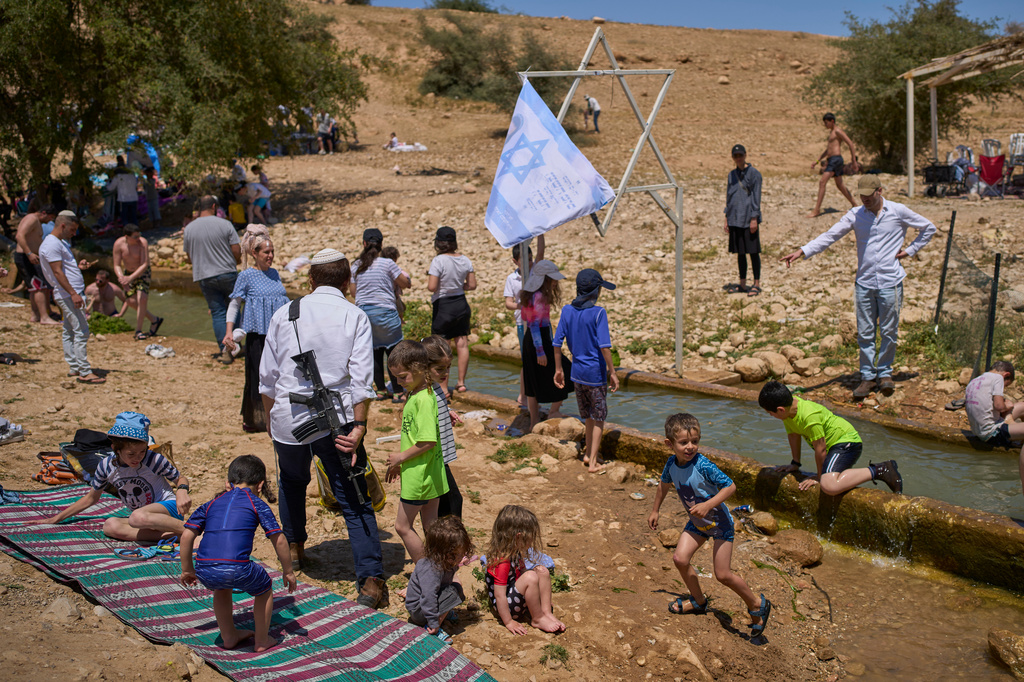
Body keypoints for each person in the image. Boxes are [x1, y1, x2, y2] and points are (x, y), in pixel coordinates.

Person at [258, 248, 388, 609]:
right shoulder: (354, 315)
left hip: (289, 419)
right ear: (348, 282)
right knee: (354, 499)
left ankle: (295, 548)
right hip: (340, 422)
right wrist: (360, 425)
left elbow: (267, 378)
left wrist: (272, 419)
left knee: (292, 482)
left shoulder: (287, 313)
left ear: (311, 280)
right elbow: (363, 380)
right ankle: (371, 580)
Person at [782, 175, 935, 399]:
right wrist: (803, 251)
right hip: (864, 282)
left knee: (889, 331)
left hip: (890, 281)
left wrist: (910, 251)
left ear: (880, 191)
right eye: (861, 195)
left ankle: (884, 373)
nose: (865, 199)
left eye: (869, 195)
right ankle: (867, 377)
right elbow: (830, 235)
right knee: (865, 333)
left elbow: (928, 228)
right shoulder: (855, 214)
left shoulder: (898, 211)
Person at [648, 413, 771, 637]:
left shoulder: (703, 465)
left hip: (720, 524)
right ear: (669, 444)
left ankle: (756, 604)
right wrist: (655, 510)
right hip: (697, 523)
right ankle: (698, 601)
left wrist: (708, 504)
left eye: (695, 441)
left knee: (722, 575)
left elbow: (730, 487)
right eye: (684, 442)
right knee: (680, 559)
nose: (690, 447)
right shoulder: (671, 464)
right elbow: (663, 485)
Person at [180, 455, 295, 652]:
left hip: (205, 570)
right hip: (238, 568)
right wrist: (289, 571)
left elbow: (186, 536)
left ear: (228, 484)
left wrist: (187, 569)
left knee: (221, 588)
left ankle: (229, 636)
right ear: (260, 485)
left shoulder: (210, 504)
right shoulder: (257, 504)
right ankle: (261, 640)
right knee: (264, 588)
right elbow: (280, 539)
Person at [29, 412, 191, 544]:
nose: (138, 458)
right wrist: (55, 518)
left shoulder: (152, 460)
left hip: (167, 510)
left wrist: (182, 491)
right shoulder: (106, 466)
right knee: (110, 526)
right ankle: (175, 536)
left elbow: (180, 479)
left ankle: (191, 530)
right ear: (116, 449)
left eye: (142, 451)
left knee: (136, 517)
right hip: (143, 519)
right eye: (131, 454)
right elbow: (90, 499)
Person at [758, 381, 902, 494]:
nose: (771, 416)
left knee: (829, 486)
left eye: (770, 413)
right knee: (830, 479)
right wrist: (795, 463)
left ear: (780, 409)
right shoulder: (788, 412)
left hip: (847, 443)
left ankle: (880, 469)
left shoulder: (808, 416)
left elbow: (820, 449)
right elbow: (794, 435)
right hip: (833, 446)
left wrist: (819, 477)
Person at [384, 340, 448, 564]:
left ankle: (426, 571)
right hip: (430, 472)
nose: (399, 382)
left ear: (420, 370)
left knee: (402, 526)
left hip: (419, 476)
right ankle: (441, 568)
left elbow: (428, 441)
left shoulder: (422, 399)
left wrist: (400, 457)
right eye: (396, 378)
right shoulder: (421, 393)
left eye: (403, 377)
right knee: (432, 527)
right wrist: (401, 463)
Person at [224, 225, 289, 433]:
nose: (270, 255)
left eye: (272, 251)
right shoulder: (246, 276)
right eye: (266, 252)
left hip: (278, 336)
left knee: (280, 376)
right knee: (257, 377)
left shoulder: (275, 273)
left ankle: (277, 417)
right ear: (254, 253)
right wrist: (229, 331)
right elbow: (235, 304)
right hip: (257, 335)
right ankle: (255, 420)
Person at [553, 268, 619, 473]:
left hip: (576, 374)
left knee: (588, 416)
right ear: (596, 291)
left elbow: (556, 343)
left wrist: (558, 369)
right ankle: (593, 463)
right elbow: (604, 346)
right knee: (598, 417)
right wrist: (613, 372)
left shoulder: (566, 310)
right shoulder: (599, 313)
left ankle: (589, 453)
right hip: (595, 375)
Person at [39, 211, 104, 384]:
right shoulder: (52, 244)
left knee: (69, 330)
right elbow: (57, 271)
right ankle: (84, 371)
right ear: (62, 226)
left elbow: (63, 268)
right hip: (68, 293)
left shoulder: (59, 243)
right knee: (82, 330)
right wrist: (74, 294)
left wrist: (78, 267)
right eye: (72, 229)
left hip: (67, 292)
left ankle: (74, 366)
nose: (74, 233)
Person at [484, 505, 566, 635]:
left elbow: (521, 572)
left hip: (513, 593)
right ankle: (537, 618)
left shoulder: (515, 552)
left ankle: (546, 613)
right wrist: (508, 621)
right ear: (518, 537)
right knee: (530, 577)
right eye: (529, 538)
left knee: (542, 570)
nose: (532, 541)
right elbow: (499, 596)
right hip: (508, 607)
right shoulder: (502, 562)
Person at [351, 228, 411, 402]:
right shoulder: (387, 264)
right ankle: (399, 391)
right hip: (386, 312)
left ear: (363, 244)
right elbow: (404, 283)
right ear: (381, 245)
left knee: (374, 352)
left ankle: (381, 390)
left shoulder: (356, 265)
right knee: (393, 351)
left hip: (365, 315)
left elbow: (354, 293)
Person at [183, 195, 241, 361]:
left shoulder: (189, 229)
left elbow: (188, 257)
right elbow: (236, 250)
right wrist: (234, 262)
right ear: (214, 207)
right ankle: (236, 345)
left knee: (217, 313)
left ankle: (225, 350)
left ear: (199, 208)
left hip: (204, 276)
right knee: (234, 308)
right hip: (227, 272)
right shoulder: (225, 224)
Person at [520, 260, 572, 432]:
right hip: (537, 340)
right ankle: (553, 411)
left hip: (531, 340)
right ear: (544, 279)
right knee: (568, 369)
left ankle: (534, 421)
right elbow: (534, 324)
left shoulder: (531, 293)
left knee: (531, 379)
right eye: (553, 279)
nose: (556, 282)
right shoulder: (540, 296)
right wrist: (541, 351)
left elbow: (530, 320)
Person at [405, 515, 473, 644]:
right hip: (419, 610)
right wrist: (433, 622)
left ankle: (443, 613)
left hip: (425, 605)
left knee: (456, 589)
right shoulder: (431, 570)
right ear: (445, 554)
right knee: (453, 592)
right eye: (458, 554)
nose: (461, 556)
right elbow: (428, 598)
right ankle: (432, 628)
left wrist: (459, 562)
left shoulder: (443, 562)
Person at [427, 226, 476, 395]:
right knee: (462, 344)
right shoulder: (465, 260)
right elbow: (472, 285)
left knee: (442, 347)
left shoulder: (438, 261)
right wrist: (457, 285)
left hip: (444, 306)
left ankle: (443, 388)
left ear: (439, 243)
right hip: (461, 304)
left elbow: (432, 287)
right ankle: (461, 383)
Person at [964, 361, 1024, 493]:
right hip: (992, 433)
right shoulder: (998, 379)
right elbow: (998, 406)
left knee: (1022, 406)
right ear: (1006, 375)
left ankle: (1013, 429)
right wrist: (1006, 406)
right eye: (1006, 385)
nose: (1004, 388)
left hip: (979, 430)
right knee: (1012, 406)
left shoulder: (975, 380)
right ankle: (1015, 434)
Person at [422, 335, 463, 519]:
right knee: (450, 505)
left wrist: (447, 411)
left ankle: (447, 541)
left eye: (448, 368)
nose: (445, 373)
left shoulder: (435, 386)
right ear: (423, 367)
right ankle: (449, 543)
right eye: (440, 369)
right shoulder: (423, 393)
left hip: (440, 458)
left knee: (448, 504)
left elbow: (437, 405)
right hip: (433, 458)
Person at [504, 236, 545, 409]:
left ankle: (539, 394)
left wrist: (540, 233)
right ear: (515, 261)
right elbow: (508, 303)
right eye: (524, 261)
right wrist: (521, 305)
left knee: (541, 357)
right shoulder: (511, 279)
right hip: (523, 323)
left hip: (540, 322)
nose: (528, 263)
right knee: (527, 359)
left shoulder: (535, 269)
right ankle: (523, 394)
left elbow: (541, 253)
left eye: (530, 259)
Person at [723, 144, 763, 297]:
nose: (738, 158)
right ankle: (742, 283)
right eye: (735, 156)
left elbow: (756, 197)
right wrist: (726, 216)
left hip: (748, 218)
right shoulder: (731, 175)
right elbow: (729, 196)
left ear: (745, 155)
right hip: (734, 218)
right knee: (740, 253)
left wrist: (754, 217)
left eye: (740, 155)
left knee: (753, 252)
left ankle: (756, 283)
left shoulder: (754, 174)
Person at [113, 224, 163, 340]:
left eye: (139, 235)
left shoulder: (142, 242)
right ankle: (154, 320)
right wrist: (122, 278)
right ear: (127, 236)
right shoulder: (119, 244)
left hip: (142, 272)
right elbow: (116, 265)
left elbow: (145, 264)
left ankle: (138, 330)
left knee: (142, 298)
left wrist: (130, 278)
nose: (138, 238)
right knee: (130, 301)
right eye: (135, 237)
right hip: (127, 273)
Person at [12, 204, 59, 324]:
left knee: (34, 287)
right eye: (50, 217)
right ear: (44, 213)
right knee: (39, 286)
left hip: (30, 257)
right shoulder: (31, 219)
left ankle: (36, 315)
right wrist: (29, 253)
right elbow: (19, 235)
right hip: (26, 257)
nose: (50, 221)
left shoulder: (35, 221)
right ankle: (44, 317)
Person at [808, 113, 858, 218]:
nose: (825, 125)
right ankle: (855, 205)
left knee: (822, 182)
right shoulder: (831, 133)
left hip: (835, 160)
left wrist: (853, 160)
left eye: (826, 123)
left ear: (832, 121)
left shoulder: (837, 131)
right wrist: (817, 161)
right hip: (832, 160)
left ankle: (816, 210)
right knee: (840, 185)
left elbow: (850, 143)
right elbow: (828, 150)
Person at [106, 156, 139, 226]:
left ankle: (128, 233)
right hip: (133, 198)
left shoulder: (118, 176)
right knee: (133, 217)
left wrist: (108, 182)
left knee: (125, 218)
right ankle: (136, 231)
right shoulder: (132, 175)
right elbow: (136, 185)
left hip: (123, 199)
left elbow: (110, 188)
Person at [380, 245, 408, 321]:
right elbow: (405, 277)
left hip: (381, 299)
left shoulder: (379, 268)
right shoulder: (394, 267)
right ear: (395, 258)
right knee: (400, 315)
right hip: (394, 297)